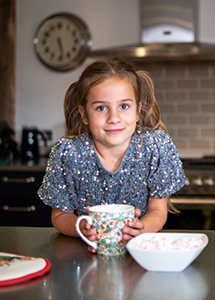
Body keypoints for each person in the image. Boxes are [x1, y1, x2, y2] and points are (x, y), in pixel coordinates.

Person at [38, 57, 186, 253]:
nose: (114, 118)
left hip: (140, 254)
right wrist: (82, 229)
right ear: (84, 114)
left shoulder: (156, 146)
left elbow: (157, 211)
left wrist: (142, 230)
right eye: (101, 108)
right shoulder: (68, 153)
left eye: (124, 106)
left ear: (137, 111)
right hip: (85, 257)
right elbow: (59, 217)